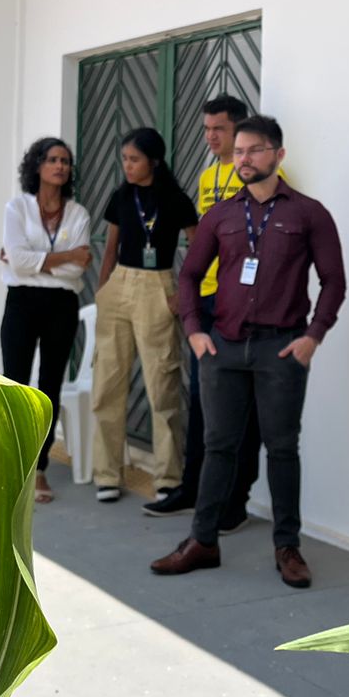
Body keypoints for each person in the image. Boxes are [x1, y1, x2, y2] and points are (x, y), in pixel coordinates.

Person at [153, 115, 346, 589]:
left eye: (254, 150)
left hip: (281, 349)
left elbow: (334, 281)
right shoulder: (220, 215)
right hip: (224, 347)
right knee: (218, 446)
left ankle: (287, 547)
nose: (243, 159)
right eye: (238, 151)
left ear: (278, 155)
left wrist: (312, 337)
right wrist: (196, 331)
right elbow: (189, 276)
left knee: (281, 449)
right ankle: (202, 541)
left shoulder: (308, 213)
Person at [142, 94, 272, 526]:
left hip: (245, 307)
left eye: (220, 129)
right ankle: (193, 488)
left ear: (240, 130)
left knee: (242, 404)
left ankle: (236, 500)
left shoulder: (266, 176)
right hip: (208, 301)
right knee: (202, 398)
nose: (211, 137)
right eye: (207, 129)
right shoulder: (207, 176)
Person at [91, 127, 199, 503]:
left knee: (162, 383)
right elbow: (110, 248)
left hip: (159, 285)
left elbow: (200, 248)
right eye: (124, 159)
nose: (127, 166)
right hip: (120, 284)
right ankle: (107, 473)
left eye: (134, 159)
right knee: (108, 381)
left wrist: (183, 292)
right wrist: (103, 291)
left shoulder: (176, 199)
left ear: (153, 160)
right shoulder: (121, 196)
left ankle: (167, 477)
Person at [0, 137, 92, 505]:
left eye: (65, 161)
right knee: (15, 383)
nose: (60, 166)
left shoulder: (78, 213)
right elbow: (20, 262)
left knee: (50, 386)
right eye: (52, 159)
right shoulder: (17, 207)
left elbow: (77, 269)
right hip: (21, 302)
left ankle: (38, 469)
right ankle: (11, 464)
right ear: (37, 166)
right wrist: (62, 257)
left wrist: (32, 258)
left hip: (61, 304)